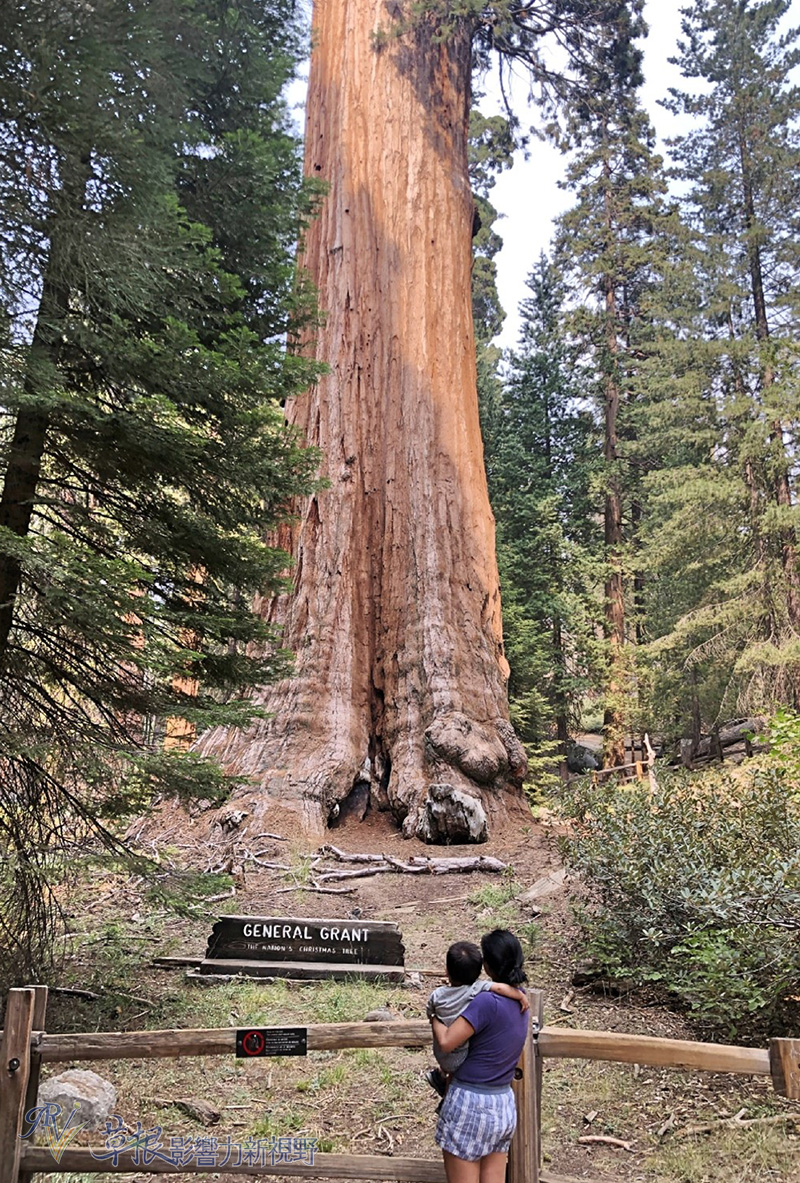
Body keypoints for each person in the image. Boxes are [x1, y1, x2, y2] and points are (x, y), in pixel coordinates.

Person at [430, 929, 530, 1183]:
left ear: (486, 965)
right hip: (503, 1104)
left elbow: (448, 1042)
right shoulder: (521, 1001)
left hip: (471, 1104)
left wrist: (435, 1018)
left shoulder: (486, 1002)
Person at [426, 940, 528, 1100]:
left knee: (454, 1069)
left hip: (442, 1054)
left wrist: (434, 1019)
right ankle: (444, 1090)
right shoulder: (478, 990)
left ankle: (444, 1088)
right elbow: (500, 988)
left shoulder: (441, 995)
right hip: (493, 1084)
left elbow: (445, 1041)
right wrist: (520, 995)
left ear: (447, 971)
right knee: (457, 1065)